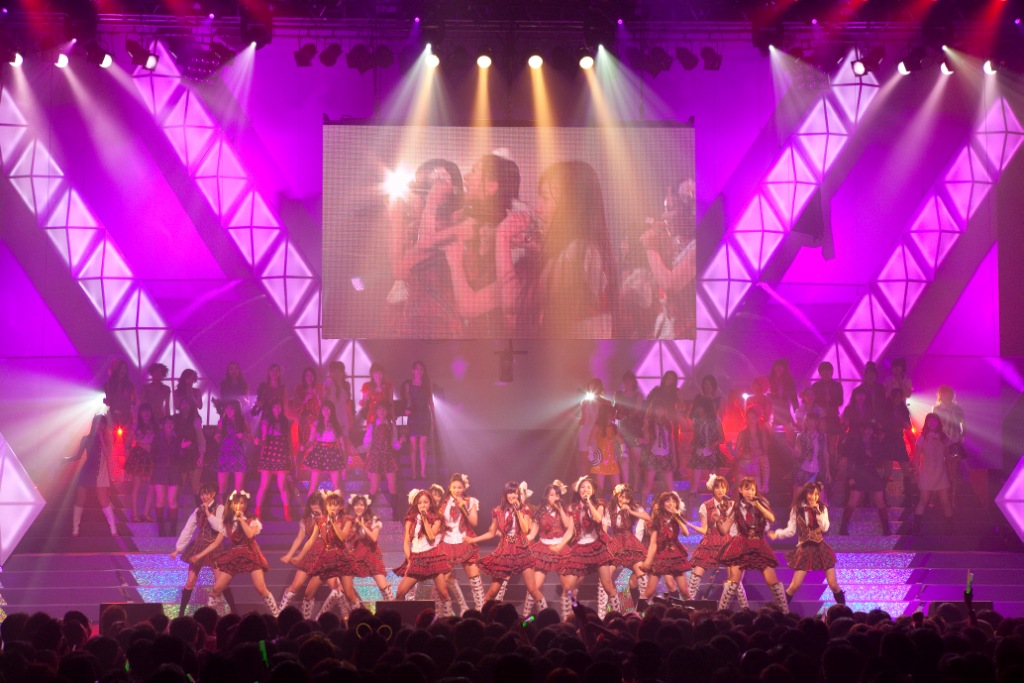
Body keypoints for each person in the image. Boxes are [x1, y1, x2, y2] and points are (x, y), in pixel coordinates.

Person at [510, 161, 617, 338]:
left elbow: (514, 302)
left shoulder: (579, 251)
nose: (537, 208)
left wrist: (502, 239)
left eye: (545, 198)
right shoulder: (581, 250)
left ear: (571, 206)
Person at [442, 152, 524, 337]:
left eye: (474, 171)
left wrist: (454, 259)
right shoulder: (472, 225)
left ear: (491, 186)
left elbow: (470, 307)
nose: (466, 177)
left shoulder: (513, 240)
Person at [383, 158, 464, 337]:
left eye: (442, 181)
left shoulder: (453, 225)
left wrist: (396, 222)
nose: (436, 187)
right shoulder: (416, 226)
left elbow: (400, 269)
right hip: (413, 314)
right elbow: (397, 268)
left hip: (436, 319)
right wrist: (395, 220)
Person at [188, 490, 278, 616]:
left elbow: (250, 534)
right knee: (216, 589)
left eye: (242, 503)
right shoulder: (227, 523)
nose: (240, 506)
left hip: (251, 553)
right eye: (237, 503)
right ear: (232, 504)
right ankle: (208, 617)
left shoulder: (252, 519)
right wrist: (198, 555)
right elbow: (215, 543)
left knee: (261, 589)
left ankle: (276, 615)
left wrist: (241, 520)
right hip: (234, 554)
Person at [718, 477, 788, 613]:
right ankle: (721, 613)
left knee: (773, 581)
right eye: (747, 489)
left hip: (759, 544)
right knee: (733, 582)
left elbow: (771, 518)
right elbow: (724, 530)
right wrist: (717, 521)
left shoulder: (760, 505)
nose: (750, 492)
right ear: (740, 490)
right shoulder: (736, 508)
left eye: (752, 489)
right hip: (742, 545)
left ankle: (785, 613)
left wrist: (758, 505)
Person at [769, 482, 846, 606]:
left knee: (833, 585)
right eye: (811, 493)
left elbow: (825, 528)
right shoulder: (797, 509)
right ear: (805, 493)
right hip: (805, 548)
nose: (813, 497)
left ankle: (844, 609)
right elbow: (791, 530)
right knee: (794, 586)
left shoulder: (822, 508)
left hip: (820, 547)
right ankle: (778, 610)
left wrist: (817, 512)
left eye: (816, 494)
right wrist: (777, 534)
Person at [469, 482, 542, 608]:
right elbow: (491, 533)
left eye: (515, 493)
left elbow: (525, 529)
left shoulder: (524, 509)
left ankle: (547, 615)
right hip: (505, 551)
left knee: (533, 590)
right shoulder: (497, 511)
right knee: (492, 591)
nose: (513, 495)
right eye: (510, 492)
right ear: (505, 494)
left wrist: (517, 510)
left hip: (521, 551)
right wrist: (473, 540)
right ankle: (481, 614)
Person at [641, 178, 697, 339]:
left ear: (689, 212)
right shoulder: (677, 243)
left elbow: (670, 284)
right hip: (670, 322)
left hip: (687, 330)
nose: (664, 216)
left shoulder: (696, 248)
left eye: (670, 209)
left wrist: (651, 247)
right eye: (664, 209)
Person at [170, 485, 235, 617]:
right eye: (202, 494)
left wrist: (208, 513)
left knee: (222, 583)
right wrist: (178, 549)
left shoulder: (220, 508)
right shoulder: (197, 510)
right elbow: (188, 529)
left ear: (213, 494)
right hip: (199, 545)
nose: (204, 497)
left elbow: (219, 527)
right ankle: (181, 614)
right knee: (190, 582)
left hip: (215, 547)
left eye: (207, 493)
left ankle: (235, 612)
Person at [684, 475, 749, 608]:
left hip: (727, 541)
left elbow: (733, 528)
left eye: (723, 487)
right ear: (712, 489)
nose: (720, 490)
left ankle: (745, 608)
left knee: (734, 579)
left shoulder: (731, 505)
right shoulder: (705, 506)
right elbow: (704, 529)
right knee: (696, 574)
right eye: (717, 487)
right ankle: (688, 605)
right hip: (710, 541)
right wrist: (689, 525)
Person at [296, 491, 361, 619]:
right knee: (308, 593)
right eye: (330, 504)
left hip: (342, 558)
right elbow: (311, 540)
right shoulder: (320, 520)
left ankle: (358, 619)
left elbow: (343, 537)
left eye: (336, 505)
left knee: (349, 594)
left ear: (341, 506)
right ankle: (307, 622)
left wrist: (334, 523)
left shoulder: (347, 519)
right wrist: (300, 556)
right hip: (326, 559)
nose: (332, 507)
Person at [561, 476, 619, 615]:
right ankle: (568, 617)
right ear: (578, 490)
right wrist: (559, 545)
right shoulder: (573, 508)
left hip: (597, 548)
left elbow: (598, 519)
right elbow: (570, 531)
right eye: (582, 487)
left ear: (593, 491)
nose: (585, 489)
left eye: (588, 487)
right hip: (579, 549)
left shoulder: (599, 504)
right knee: (567, 588)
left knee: (608, 586)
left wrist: (588, 503)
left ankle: (617, 615)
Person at [394, 489, 453, 615]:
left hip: (432, 556)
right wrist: (409, 560)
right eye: (420, 503)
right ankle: (403, 618)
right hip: (416, 557)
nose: (422, 505)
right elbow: (406, 542)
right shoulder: (410, 519)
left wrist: (424, 518)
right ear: (416, 504)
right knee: (400, 592)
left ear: (430, 503)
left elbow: (431, 537)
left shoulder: (437, 518)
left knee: (443, 593)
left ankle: (447, 618)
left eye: (425, 502)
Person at [526, 480, 574, 618]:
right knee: (534, 587)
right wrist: (517, 541)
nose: (554, 498)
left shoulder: (564, 510)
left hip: (560, 548)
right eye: (551, 495)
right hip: (543, 549)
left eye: (557, 495)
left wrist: (560, 509)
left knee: (567, 587)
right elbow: (532, 534)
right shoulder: (539, 512)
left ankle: (566, 618)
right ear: (546, 496)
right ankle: (537, 616)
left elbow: (567, 525)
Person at [636, 491, 691, 610]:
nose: (671, 504)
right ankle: (638, 614)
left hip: (676, 555)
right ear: (662, 503)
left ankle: (690, 616)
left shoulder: (678, 517)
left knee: (685, 592)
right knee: (649, 591)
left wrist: (677, 516)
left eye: (674, 501)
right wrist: (648, 561)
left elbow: (686, 533)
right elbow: (653, 543)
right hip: (660, 555)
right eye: (668, 501)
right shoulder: (656, 520)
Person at [437, 473, 483, 614]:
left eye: (459, 487)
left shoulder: (470, 501)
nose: (457, 490)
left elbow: (474, 523)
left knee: (474, 577)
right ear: (449, 488)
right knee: (444, 579)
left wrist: (464, 507)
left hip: (464, 539)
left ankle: (481, 609)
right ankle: (450, 610)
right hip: (447, 542)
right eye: (454, 487)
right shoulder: (443, 503)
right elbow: (438, 523)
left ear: (464, 488)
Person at [67, 414, 118, 537]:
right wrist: (66, 459)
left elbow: (108, 455)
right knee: (80, 499)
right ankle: (75, 528)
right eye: (97, 423)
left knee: (103, 500)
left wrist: (101, 438)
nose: (99, 426)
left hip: (100, 472)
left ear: (104, 426)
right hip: (87, 471)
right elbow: (78, 456)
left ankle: (113, 527)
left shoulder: (107, 438)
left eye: (101, 423)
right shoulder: (86, 439)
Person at [278, 493, 327, 619]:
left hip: (325, 557)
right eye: (313, 504)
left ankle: (308, 619)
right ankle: (279, 614)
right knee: (295, 586)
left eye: (318, 505)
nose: (315, 507)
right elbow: (300, 539)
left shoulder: (328, 518)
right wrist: (290, 555)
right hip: (310, 554)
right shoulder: (306, 520)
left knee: (309, 594)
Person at [606, 484, 651, 612]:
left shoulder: (634, 507)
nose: (624, 500)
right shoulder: (610, 509)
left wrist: (630, 511)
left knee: (640, 573)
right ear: (617, 496)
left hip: (630, 542)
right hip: (615, 542)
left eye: (627, 498)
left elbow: (648, 518)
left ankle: (643, 606)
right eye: (622, 497)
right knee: (606, 575)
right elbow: (604, 529)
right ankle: (613, 609)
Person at [838, 423, 890, 535]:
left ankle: (886, 528)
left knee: (880, 501)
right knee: (853, 501)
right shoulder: (856, 442)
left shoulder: (875, 442)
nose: (869, 432)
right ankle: (843, 527)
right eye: (867, 429)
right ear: (862, 430)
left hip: (871, 471)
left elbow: (880, 459)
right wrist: (850, 476)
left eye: (871, 429)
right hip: (859, 472)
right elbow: (851, 460)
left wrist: (872, 455)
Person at [911, 413, 953, 532]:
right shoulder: (922, 437)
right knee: (923, 501)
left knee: (945, 501)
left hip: (941, 472)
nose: (932, 423)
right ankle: (915, 528)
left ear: (938, 422)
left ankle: (951, 528)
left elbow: (948, 457)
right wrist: (916, 471)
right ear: (926, 423)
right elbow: (916, 456)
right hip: (926, 473)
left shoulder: (944, 437)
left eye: (934, 420)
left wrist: (952, 470)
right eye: (929, 421)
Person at [348, 493, 394, 601]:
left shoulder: (374, 519)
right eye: (356, 505)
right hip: (357, 554)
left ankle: (392, 605)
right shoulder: (351, 521)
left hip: (371, 554)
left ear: (366, 506)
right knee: (344, 584)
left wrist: (362, 525)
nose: (358, 507)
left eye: (361, 505)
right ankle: (351, 607)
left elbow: (374, 538)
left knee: (383, 587)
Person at [254, 399, 292, 520]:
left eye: (279, 407)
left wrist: (291, 456)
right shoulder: (266, 422)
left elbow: (289, 440)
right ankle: (257, 512)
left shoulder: (285, 422)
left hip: (281, 454)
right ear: (271, 409)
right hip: (269, 454)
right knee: (263, 485)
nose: (277, 409)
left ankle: (287, 513)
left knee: (282, 486)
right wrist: (259, 442)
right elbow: (264, 440)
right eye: (275, 407)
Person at [150, 415, 187, 537]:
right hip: (160, 470)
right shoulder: (157, 438)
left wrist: (181, 449)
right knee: (160, 500)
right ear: (163, 425)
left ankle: (172, 529)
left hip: (173, 471)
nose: (169, 425)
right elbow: (152, 454)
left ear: (174, 425)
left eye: (171, 423)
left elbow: (181, 457)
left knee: (172, 501)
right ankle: (161, 528)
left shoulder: (178, 439)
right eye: (167, 423)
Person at [688, 395, 726, 512]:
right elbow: (695, 438)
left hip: (711, 453)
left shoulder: (715, 420)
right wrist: (691, 445)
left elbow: (722, 438)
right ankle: (690, 510)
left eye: (699, 407)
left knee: (715, 484)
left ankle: (718, 510)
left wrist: (714, 443)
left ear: (704, 408)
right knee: (694, 485)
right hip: (699, 453)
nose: (697, 410)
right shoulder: (696, 421)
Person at [639, 399, 676, 505]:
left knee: (670, 487)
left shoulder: (668, 423)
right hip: (652, 455)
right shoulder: (649, 422)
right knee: (648, 485)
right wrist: (642, 438)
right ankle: (642, 507)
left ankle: (673, 508)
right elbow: (647, 439)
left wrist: (674, 457)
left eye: (661, 409)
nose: (659, 411)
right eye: (657, 409)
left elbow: (671, 440)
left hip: (666, 455)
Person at [933, 385, 966, 505]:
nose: (946, 395)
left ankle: (953, 498)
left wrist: (962, 435)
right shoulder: (937, 409)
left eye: (948, 393)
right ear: (940, 395)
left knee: (953, 470)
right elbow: (934, 425)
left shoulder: (958, 408)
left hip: (954, 441)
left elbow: (963, 423)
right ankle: (938, 496)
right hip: (941, 442)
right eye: (944, 393)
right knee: (939, 469)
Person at [303, 401, 345, 494]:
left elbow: (342, 443)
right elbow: (310, 440)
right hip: (319, 454)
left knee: (337, 486)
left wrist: (344, 461)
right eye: (324, 409)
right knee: (313, 486)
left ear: (332, 410)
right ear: (321, 411)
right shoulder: (316, 424)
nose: (326, 411)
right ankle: (310, 503)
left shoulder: (336, 425)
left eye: (328, 409)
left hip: (333, 454)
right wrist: (305, 445)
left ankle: (340, 503)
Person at [402, 361, 435, 480]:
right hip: (413, 415)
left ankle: (423, 471)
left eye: (421, 369)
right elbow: (407, 401)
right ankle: (413, 472)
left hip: (424, 415)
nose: (419, 371)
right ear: (413, 371)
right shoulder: (408, 385)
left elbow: (430, 401)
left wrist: (433, 418)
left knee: (423, 445)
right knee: (413, 447)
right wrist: (406, 410)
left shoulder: (427, 384)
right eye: (417, 369)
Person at [124, 404, 157, 523]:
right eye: (144, 411)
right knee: (136, 486)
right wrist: (131, 455)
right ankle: (135, 514)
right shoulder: (135, 426)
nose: (146, 414)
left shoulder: (155, 426)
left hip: (150, 456)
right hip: (139, 455)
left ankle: (146, 513)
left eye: (148, 411)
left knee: (152, 486)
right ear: (140, 413)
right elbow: (127, 444)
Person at [613, 371, 646, 487]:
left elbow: (637, 411)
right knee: (624, 459)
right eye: (625, 380)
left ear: (633, 382)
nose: (627, 382)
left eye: (630, 380)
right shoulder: (618, 394)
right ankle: (626, 485)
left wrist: (625, 413)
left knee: (636, 462)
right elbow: (615, 411)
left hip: (634, 430)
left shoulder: (638, 396)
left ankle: (636, 487)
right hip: (621, 429)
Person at [365, 402, 402, 497]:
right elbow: (367, 443)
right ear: (376, 411)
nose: (382, 411)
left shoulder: (391, 426)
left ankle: (394, 507)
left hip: (389, 457)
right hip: (376, 458)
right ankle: (367, 506)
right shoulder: (372, 426)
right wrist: (367, 456)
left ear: (387, 411)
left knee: (393, 487)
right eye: (379, 409)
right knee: (373, 488)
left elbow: (394, 444)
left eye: (384, 409)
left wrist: (400, 442)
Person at [213, 400, 249, 499]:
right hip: (225, 452)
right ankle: (221, 507)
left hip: (238, 453)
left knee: (239, 489)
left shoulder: (242, 422)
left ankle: (237, 508)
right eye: (227, 408)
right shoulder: (222, 422)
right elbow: (219, 438)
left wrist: (243, 435)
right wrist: (217, 437)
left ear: (236, 409)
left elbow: (251, 437)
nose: (228, 411)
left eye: (231, 409)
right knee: (222, 489)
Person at [588, 400, 626, 492]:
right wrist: (590, 454)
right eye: (610, 414)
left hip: (612, 459)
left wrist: (624, 452)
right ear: (605, 415)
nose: (612, 416)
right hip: (600, 459)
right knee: (599, 489)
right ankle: (599, 501)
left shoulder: (614, 427)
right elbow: (590, 441)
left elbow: (622, 440)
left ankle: (617, 501)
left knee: (617, 488)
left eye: (612, 414)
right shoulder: (598, 426)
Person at [811, 361, 844, 463]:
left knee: (833, 446)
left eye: (828, 371)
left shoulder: (837, 385)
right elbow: (812, 401)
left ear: (831, 372)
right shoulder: (816, 386)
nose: (825, 373)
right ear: (820, 373)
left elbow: (841, 401)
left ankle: (832, 467)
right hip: (820, 418)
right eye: (823, 371)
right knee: (819, 445)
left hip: (833, 417)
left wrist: (831, 399)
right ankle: (820, 467)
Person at [734, 406, 771, 496]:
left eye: (753, 418)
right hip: (742, 467)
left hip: (755, 467)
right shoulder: (742, 433)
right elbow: (736, 454)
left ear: (757, 419)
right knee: (742, 496)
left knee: (756, 497)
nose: (751, 420)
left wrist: (765, 483)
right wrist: (731, 449)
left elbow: (764, 457)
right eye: (749, 418)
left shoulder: (762, 434)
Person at [291, 367, 324, 464]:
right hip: (304, 422)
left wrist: (318, 397)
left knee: (317, 446)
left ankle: (315, 469)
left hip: (316, 421)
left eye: (312, 375)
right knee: (302, 447)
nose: (310, 378)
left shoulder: (319, 388)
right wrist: (305, 399)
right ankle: (297, 470)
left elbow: (324, 407)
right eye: (308, 375)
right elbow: (296, 407)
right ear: (304, 377)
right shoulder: (300, 389)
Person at [793, 412, 830, 497]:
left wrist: (827, 471)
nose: (810, 423)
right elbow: (798, 454)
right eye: (807, 420)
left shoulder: (822, 436)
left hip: (818, 471)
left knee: (821, 498)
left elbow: (825, 453)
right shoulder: (800, 437)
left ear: (816, 422)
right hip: (804, 470)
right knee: (799, 498)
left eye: (812, 420)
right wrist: (794, 453)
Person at [359, 363, 393, 429]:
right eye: (376, 373)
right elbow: (364, 402)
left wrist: (393, 416)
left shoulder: (388, 385)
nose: (378, 375)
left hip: (385, 414)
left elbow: (391, 402)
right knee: (372, 432)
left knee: (385, 432)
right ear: (372, 374)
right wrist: (362, 402)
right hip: (373, 415)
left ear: (383, 374)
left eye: (380, 373)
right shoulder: (367, 386)